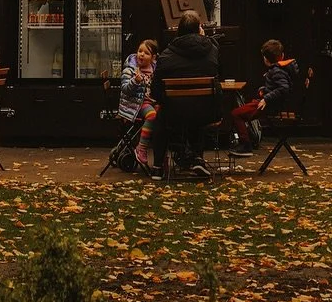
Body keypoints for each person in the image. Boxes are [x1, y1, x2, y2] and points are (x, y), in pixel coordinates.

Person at [150, 10, 220, 179]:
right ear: (199, 29)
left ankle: (158, 166)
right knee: (196, 112)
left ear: (178, 30)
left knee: (161, 117)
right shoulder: (212, 51)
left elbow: (156, 90)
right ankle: (196, 157)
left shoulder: (166, 55)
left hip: (174, 113)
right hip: (206, 112)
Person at [229, 38, 302, 149]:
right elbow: (278, 87)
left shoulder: (276, 71)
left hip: (271, 106)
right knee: (243, 110)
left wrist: (266, 98)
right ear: (282, 55)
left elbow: (283, 88)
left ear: (265, 59)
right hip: (272, 103)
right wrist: (264, 89)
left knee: (236, 113)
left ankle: (245, 144)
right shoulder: (280, 70)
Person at [118, 40, 157, 123]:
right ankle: (144, 137)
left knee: (166, 113)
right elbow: (125, 90)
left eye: (146, 53)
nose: (142, 54)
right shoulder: (130, 70)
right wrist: (135, 81)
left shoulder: (155, 70)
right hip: (135, 104)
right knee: (152, 116)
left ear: (153, 58)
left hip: (152, 101)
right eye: (140, 51)